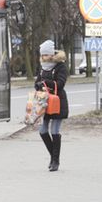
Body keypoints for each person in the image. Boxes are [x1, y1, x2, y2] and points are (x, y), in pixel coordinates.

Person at [34, 40, 69, 172]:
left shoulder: (60, 66)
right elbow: (38, 81)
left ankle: (55, 161)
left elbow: (60, 84)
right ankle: (53, 157)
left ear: (51, 54)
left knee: (54, 131)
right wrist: (38, 84)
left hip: (58, 101)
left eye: (46, 55)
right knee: (43, 130)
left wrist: (44, 82)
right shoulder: (42, 66)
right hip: (45, 102)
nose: (43, 58)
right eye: (42, 55)